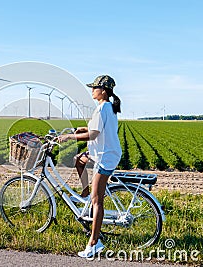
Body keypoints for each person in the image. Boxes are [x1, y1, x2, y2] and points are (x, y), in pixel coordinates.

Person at [58, 74, 122, 260]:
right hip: (100, 153)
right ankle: (85, 192)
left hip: (105, 158)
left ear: (103, 91)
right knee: (79, 160)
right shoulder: (107, 107)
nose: (92, 91)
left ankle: (94, 243)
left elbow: (94, 135)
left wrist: (69, 137)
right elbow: (98, 129)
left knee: (98, 202)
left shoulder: (103, 108)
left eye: (94, 88)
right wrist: (82, 129)